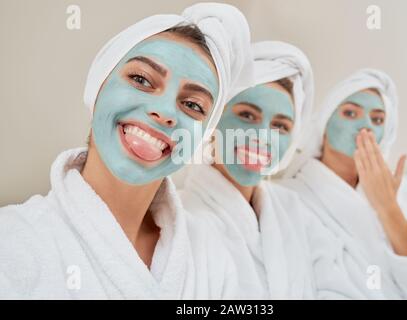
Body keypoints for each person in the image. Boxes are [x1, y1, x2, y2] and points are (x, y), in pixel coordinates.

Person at [0, 3, 254, 299]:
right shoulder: (13, 242)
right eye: (141, 80)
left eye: (193, 105)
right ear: (97, 86)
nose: (164, 112)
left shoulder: (211, 257)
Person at [180, 41, 364, 299]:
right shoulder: (181, 216)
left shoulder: (294, 208)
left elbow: (338, 287)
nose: (263, 137)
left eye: (281, 126)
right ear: (214, 121)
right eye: (247, 116)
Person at [280, 68, 407, 299]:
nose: (366, 125)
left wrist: (389, 208)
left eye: (378, 119)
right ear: (324, 126)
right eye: (350, 113)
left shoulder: (402, 194)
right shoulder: (288, 197)